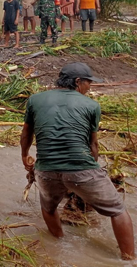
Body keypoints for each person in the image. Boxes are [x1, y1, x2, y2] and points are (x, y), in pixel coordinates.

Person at [21, 63, 135, 260]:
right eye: (88, 83)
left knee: (48, 208)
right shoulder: (91, 105)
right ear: (77, 82)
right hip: (81, 167)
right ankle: (129, 259)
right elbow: (93, 145)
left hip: (45, 169)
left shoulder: (35, 100)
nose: (89, 87)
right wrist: (92, 171)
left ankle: (59, 246)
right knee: (118, 210)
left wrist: (24, 156)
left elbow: (26, 133)